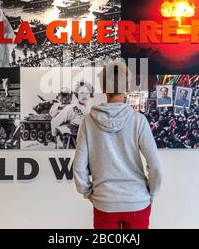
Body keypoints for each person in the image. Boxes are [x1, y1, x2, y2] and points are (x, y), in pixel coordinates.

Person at [73, 61, 163, 229]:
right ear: (127, 88)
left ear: (103, 89)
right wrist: (151, 193)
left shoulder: (88, 122)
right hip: (137, 202)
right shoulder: (138, 120)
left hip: (104, 203)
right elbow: (156, 166)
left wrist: (88, 193)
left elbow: (78, 167)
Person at [51, 81, 93, 149]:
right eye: (81, 93)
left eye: (87, 93)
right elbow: (54, 122)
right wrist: (55, 139)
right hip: (73, 144)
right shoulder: (70, 108)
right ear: (77, 95)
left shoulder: (92, 109)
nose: (84, 95)